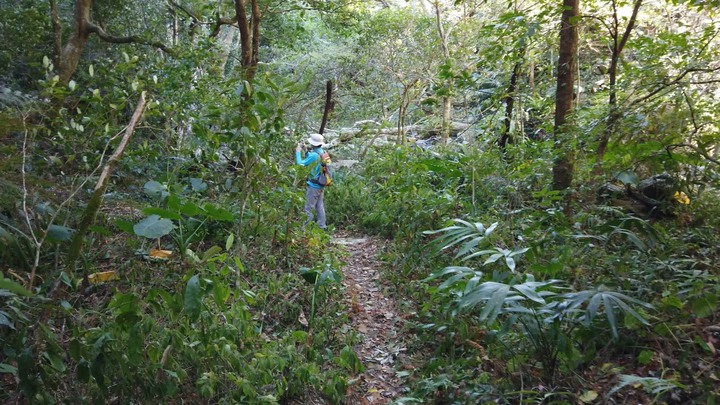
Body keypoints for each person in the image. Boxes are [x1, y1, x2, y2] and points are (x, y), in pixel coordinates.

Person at [296, 133, 328, 231]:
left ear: (313, 144)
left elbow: (301, 164)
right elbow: (312, 160)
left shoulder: (314, 155)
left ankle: (305, 229)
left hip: (314, 186)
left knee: (308, 208)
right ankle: (322, 227)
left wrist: (297, 152)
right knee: (319, 206)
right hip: (321, 184)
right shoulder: (322, 152)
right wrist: (305, 150)